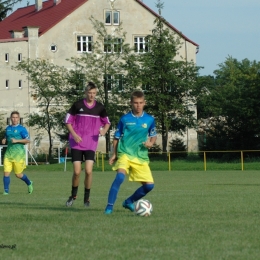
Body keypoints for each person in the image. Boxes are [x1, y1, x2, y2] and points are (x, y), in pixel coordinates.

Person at [104, 90, 157, 214]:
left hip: (140, 155)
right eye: (135, 103)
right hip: (125, 153)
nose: (138, 105)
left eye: (140, 103)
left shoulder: (149, 119)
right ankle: (109, 207)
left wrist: (151, 143)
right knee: (120, 177)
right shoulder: (125, 119)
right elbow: (116, 138)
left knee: (149, 186)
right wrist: (115, 154)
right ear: (131, 103)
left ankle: (128, 201)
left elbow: (153, 135)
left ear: (144, 103)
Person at [65, 82, 110, 207]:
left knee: (89, 171)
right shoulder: (77, 105)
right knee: (77, 172)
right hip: (76, 143)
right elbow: (67, 121)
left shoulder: (100, 108)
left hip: (91, 143)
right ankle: (73, 196)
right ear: (86, 93)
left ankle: (87, 198)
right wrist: (74, 134)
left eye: (94, 93)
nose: (92, 95)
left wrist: (104, 131)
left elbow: (107, 122)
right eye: (90, 93)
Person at [2, 111, 33, 195]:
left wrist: (17, 141)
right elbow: (6, 137)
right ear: (10, 118)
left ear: (18, 118)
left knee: (18, 174)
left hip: (18, 155)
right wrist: (4, 140)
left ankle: (29, 183)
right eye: (13, 117)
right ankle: (6, 191)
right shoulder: (8, 128)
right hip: (8, 154)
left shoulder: (22, 129)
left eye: (16, 117)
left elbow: (27, 140)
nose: (14, 119)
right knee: (6, 173)